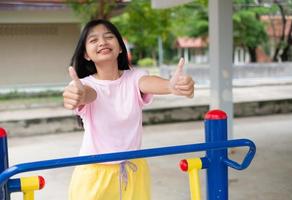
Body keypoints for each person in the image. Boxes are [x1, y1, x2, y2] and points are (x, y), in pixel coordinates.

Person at [63, 19, 194, 200]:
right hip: (94, 173)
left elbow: (148, 83)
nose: (102, 42)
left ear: (120, 47)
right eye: (93, 40)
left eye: (109, 37)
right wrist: (78, 95)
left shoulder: (135, 78)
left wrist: (171, 85)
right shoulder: (85, 85)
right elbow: (88, 94)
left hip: (134, 169)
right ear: (86, 54)